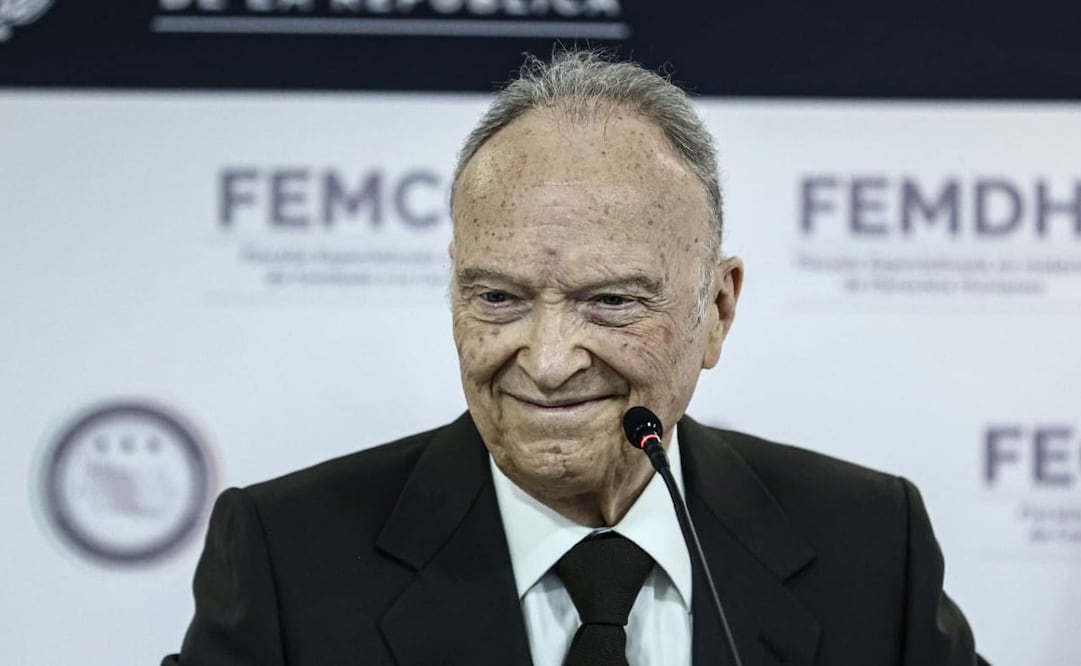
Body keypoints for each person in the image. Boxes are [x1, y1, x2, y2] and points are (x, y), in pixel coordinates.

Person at [163, 50, 983, 666]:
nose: (548, 361)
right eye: (498, 299)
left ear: (716, 311)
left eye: (613, 302)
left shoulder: (870, 545)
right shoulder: (284, 555)